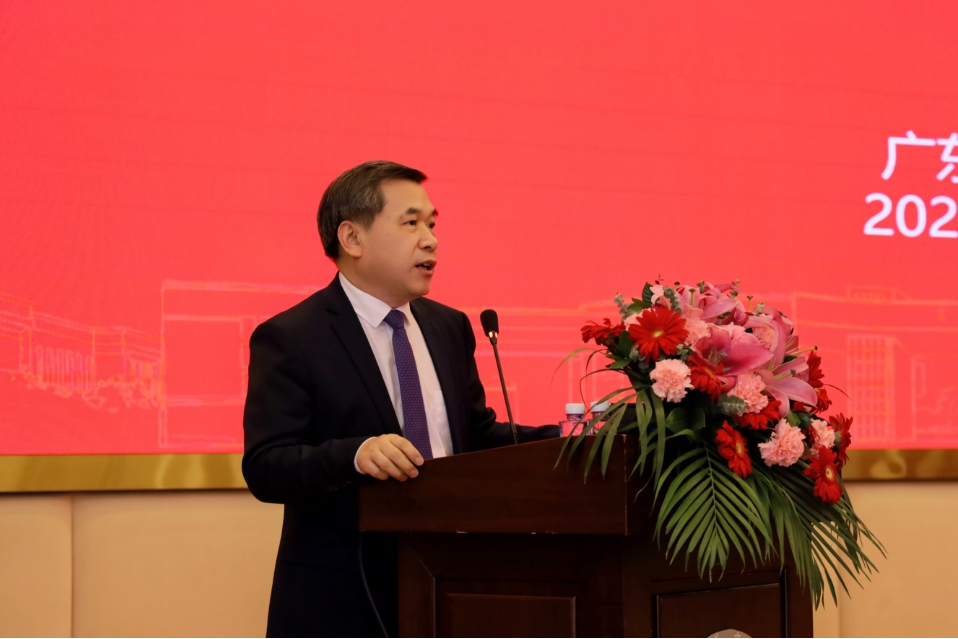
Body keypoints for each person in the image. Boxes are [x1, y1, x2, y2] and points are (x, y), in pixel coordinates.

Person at [242, 160, 559, 637]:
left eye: (432, 224)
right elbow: (267, 466)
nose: (430, 240)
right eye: (411, 223)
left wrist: (572, 438)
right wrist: (355, 455)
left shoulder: (448, 326)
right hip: (342, 601)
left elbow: (473, 437)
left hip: (451, 585)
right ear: (352, 238)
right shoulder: (293, 337)